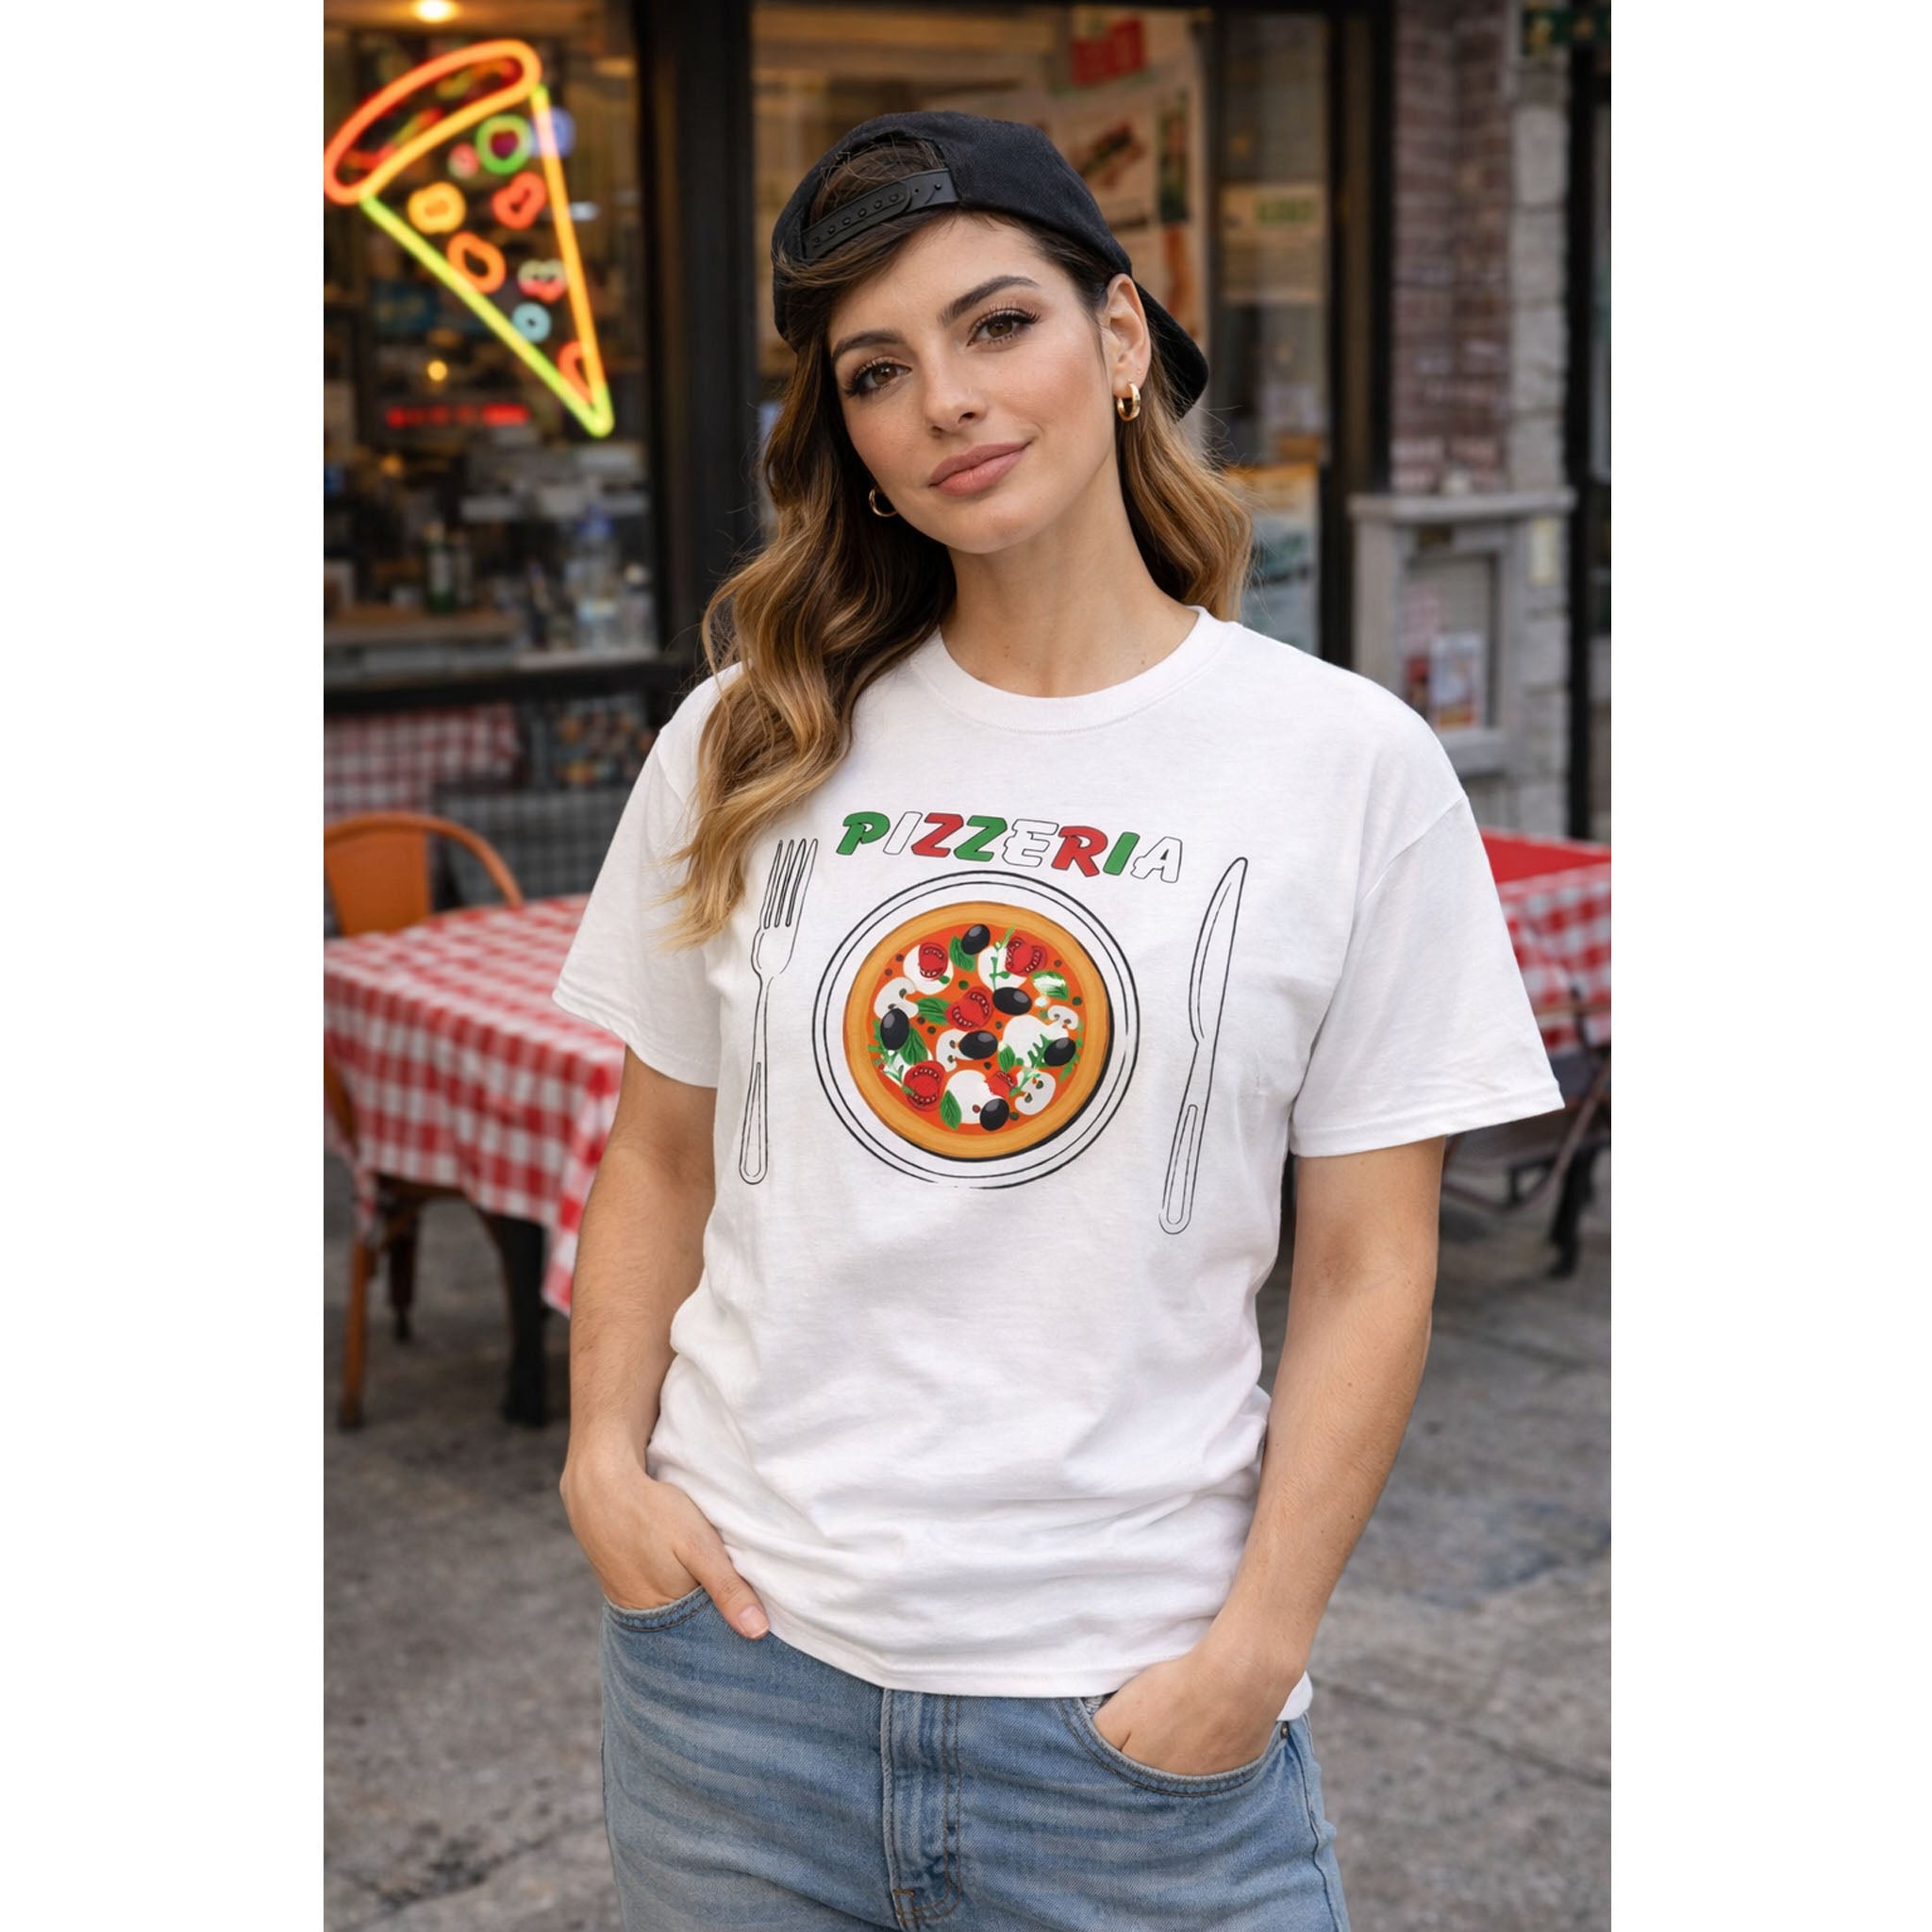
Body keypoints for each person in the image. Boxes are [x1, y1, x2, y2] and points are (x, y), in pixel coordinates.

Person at [552, 110, 1562, 1932]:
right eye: (880, 367)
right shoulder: (743, 740)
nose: (944, 396)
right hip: (736, 1691)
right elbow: (659, 1154)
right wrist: (602, 1469)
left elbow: (1364, 1269)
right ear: (846, 432)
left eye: (995, 324)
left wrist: (1252, 1653)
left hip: (1131, 1726)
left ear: (1116, 343)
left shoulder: (1342, 766)